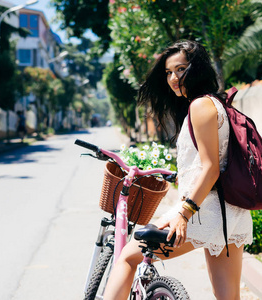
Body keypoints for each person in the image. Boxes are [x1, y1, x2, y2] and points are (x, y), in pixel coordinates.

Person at [103, 40, 253, 300]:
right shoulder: (214, 103)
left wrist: (183, 214)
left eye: (181, 69)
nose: (173, 78)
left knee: (127, 259)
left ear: (197, 68)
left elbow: (210, 168)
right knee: (228, 297)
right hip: (231, 212)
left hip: (204, 211)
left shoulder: (200, 106)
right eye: (169, 72)